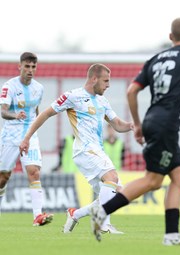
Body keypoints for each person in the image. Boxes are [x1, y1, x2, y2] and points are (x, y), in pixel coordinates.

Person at [89, 17, 180, 246]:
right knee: (153, 180)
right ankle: (102, 211)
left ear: (170, 38)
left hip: (153, 120)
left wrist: (139, 124)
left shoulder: (155, 59)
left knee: (179, 176)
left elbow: (131, 91)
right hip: (167, 125)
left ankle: (171, 236)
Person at [19, 63, 133, 234]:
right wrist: (27, 138)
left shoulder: (103, 100)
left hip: (97, 151)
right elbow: (46, 113)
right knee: (112, 176)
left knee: (117, 194)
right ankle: (103, 224)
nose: (108, 85)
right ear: (94, 79)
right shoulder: (73, 96)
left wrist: (132, 125)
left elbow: (117, 124)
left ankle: (75, 214)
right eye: (106, 81)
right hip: (84, 149)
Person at [0, 52, 53, 226]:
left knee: (34, 172)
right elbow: (3, 112)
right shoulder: (9, 86)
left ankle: (37, 216)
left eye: (33, 67)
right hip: (10, 136)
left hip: (30, 136)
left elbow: (36, 112)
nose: (30, 70)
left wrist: (34, 129)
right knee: (3, 176)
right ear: (20, 66)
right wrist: (15, 115)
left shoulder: (39, 88)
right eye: (27, 66)